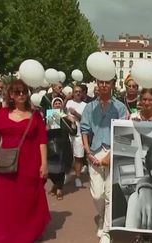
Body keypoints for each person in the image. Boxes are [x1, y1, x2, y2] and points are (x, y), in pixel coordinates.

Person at [0, 79, 50, 242]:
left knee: (27, 200)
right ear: (10, 94)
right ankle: (5, 233)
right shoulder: (3, 114)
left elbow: (42, 141)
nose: (21, 95)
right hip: (7, 164)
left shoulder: (35, 116)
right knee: (5, 201)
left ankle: (27, 232)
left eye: (23, 92)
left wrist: (44, 164)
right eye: (17, 92)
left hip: (30, 164)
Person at [81, 78, 128, 243]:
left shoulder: (120, 107)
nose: (104, 85)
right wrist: (87, 151)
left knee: (110, 193)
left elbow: (123, 133)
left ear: (113, 85)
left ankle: (107, 230)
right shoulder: (90, 107)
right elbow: (84, 130)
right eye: (100, 82)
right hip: (94, 151)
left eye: (107, 82)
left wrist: (112, 154)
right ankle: (102, 216)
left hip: (113, 151)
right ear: (96, 84)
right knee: (96, 194)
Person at [47, 97, 77, 200]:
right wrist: (52, 120)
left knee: (62, 168)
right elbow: (52, 132)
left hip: (65, 145)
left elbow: (73, 133)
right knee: (50, 170)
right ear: (52, 105)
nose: (58, 105)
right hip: (53, 145)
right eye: (56, 103)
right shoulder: (51, 115)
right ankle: (55, 184)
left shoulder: (67, 117)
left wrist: (72, 122)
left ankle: (59, 189)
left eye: (60, 103)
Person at [65, 85, 87, 187]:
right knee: (67, 156)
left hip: (79, 135)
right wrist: (65, 99)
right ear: (72, 93)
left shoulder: (85, 105)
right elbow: (57, 112)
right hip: (67, 133)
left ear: (82, 93)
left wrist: (76, 114)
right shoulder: (68, 103)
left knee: (79, 157)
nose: (78, 93)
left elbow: (86, 120)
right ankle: (66, 175)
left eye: (79, 91)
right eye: (75, 91)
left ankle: (78, 177)